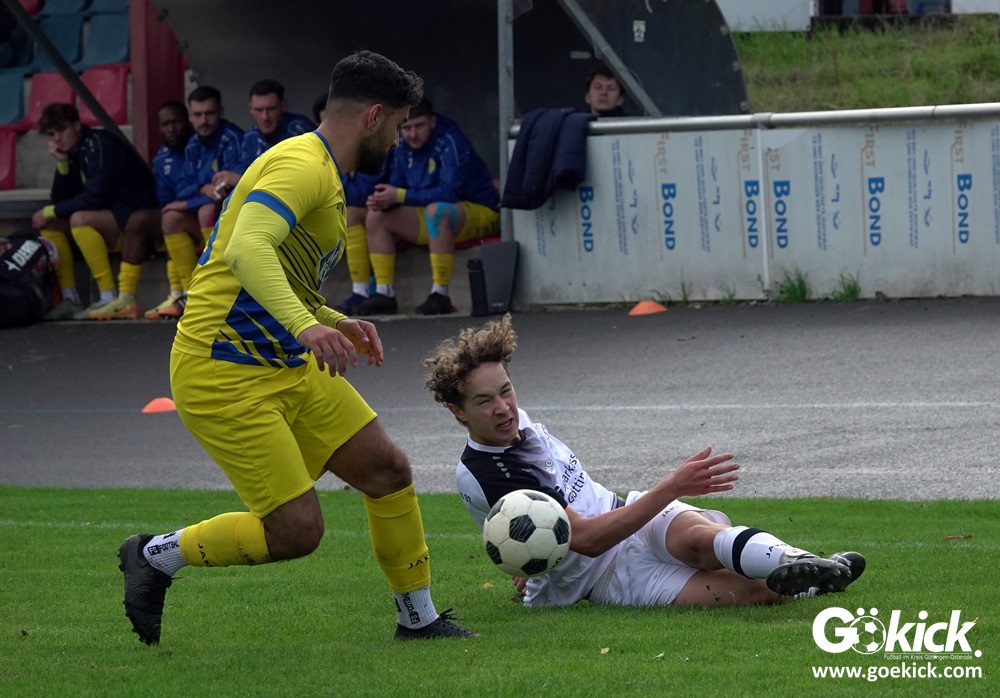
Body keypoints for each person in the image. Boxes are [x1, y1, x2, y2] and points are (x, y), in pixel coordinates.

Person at [117, 50, 478, 645]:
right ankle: (154, 556)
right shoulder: (302, 166)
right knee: (296, 532)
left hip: (282, 361)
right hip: (223, 369)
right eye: (395, 126)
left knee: (387, 471)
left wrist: (329, 317)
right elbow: (246, 251)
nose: (395, 141)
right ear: (373, 116)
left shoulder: (321, 169)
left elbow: (273, 273)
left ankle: (418, 620)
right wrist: (307, 328)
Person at [424, 314, 867, 608]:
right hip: (601, 574)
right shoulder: (490, 472)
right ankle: (810, 582)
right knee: (751, 594)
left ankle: (813, 563)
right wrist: (673, 486)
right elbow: (588, 540)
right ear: (457, 411)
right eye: (484, 401)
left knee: (700, 538)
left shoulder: (513, 420)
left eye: (506, 390)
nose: (503, 408)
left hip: (626, 513)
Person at [353, 97, 500, 316]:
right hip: (431, 214)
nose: (412, 134)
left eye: (419, 126)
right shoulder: (402, 145)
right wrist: (383, 199)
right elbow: (398, 184)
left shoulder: (451, 140)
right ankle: (384, 294)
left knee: (438, 209)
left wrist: (399, 195)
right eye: (407, 128)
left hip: (481, 210)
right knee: (376, 215)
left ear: (432, 121)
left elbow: (449, 192)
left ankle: (441, 293)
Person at [32, 103, 161, 320]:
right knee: (51, 224)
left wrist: (50, 210)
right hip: (110, 217)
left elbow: (94, 198)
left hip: (136, 220)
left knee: (79, 218)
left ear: (77, 125)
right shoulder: (73, 151)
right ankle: (70, 298)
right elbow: (61, 200)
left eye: (62, 130)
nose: (57, 139)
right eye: (52, 134)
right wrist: (63, 166)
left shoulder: (100, 144)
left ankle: (108, 296)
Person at [158, 85, 243, 319]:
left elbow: (227, 193)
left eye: (209, 113)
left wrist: (189, 202)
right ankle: (191, 293)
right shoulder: (193, 143)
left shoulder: (233, 139)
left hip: (236, 225)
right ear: (190, 116)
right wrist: (200, 188)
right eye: (198, 114)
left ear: (221, 113)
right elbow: (181, 188)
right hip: (206, 219)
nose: (203, 120)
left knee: (207, 210)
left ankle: (217, 289)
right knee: (170, 218)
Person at [145, 100, 196, 320]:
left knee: (180, 216)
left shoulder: (199, 147)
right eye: (166, 124)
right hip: (183, 219)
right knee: (165, 218)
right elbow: (165, 200)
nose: (172, 128)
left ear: (188, 121)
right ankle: (178, 293)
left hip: (206, 215)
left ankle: (190, 294)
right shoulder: (160, 159)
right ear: (159, 128)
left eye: (177, 122)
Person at [228, 78, 315, 177]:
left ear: (283, 106)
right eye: (259, 110)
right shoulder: (250, 137)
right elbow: (241, 172)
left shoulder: (301, 130)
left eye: (271, 109)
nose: (265, 117)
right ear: (250, 109)